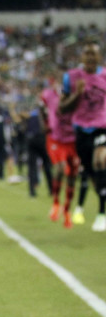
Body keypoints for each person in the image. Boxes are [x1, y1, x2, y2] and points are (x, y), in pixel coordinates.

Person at [60, 41, 106, 231]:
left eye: (93, 53)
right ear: (81, 57)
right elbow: (62, 108)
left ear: (99, 57)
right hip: (81, 130)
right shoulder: (71, 77)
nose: (89, 57)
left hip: (102, 127)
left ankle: (101, 215)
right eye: (86, 53)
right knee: (93, 173)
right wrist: (76, 94)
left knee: (101, 160)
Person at [40, 80, 78, 227]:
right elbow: (41, 107)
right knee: (61, 167)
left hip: (72, 141)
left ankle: (67, 210)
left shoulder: (77, 99)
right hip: (56, 139)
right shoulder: (50, 95)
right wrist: (44, 123)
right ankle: (55, 202)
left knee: (72, 176)